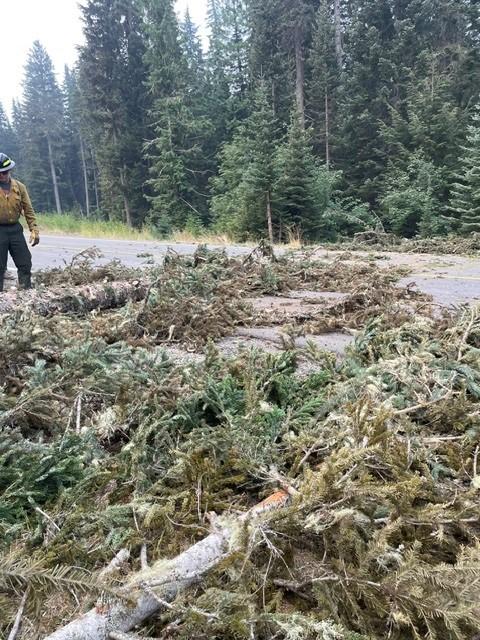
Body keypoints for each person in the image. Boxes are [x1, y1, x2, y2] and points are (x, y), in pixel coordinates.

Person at [0, 153, 39, 291]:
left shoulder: (19, 187)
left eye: (4, 172)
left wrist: (34, 229)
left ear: (9, 170)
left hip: (15, 229)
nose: (2, 176)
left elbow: (28, 209)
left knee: (25, 263)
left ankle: (25, 292)